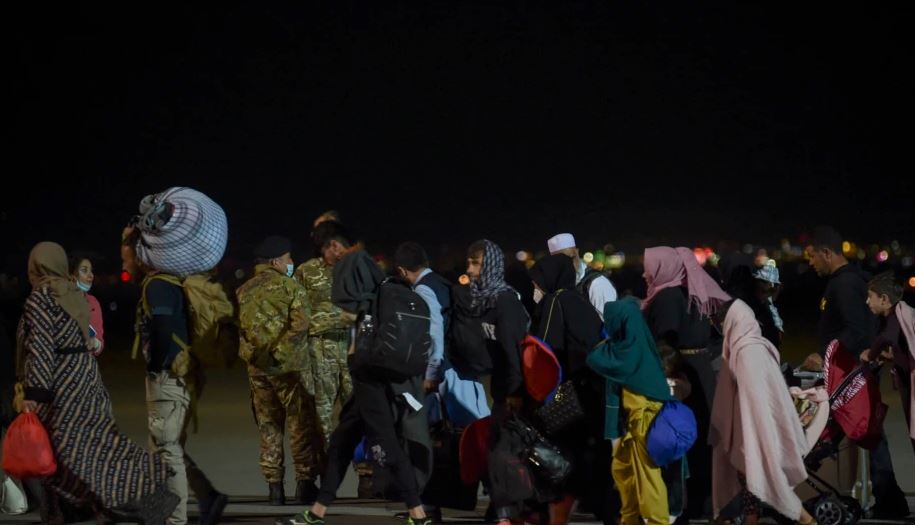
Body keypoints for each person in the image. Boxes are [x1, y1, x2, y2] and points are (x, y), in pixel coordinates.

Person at [18, 242, 178, 524]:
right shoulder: (74, 294)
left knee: (63, 453)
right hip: (88, 379)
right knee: (102, 446)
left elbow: (42, 348)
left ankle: (104, 507)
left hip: (61, 385)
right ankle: (137, 500)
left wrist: (35, 392)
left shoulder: (41, 298)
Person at [123, 187, 229, 525]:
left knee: (166, 448)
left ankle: (174, 519)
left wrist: (156, 367)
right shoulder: (177, 280)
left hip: (169, 376)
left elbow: (164, 324)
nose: (125, 262)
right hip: (185, 371)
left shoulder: (158, 285)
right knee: (166, 446)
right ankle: (205, 498)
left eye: (126, 255)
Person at [806, 226, 909, 519]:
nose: (810, 263)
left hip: (851, 372)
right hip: (854, 370)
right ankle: (890, 500)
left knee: (865, 434)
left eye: (813, 256)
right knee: (868, 433)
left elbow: (856, 330)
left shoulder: (845, 284)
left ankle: (888, 500)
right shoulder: (848, 280)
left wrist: (826, 354)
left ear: (827, 253)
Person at [641, 246, 730, 520]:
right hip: (700, 371)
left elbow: (664, 342)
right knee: (701, 438)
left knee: (681, 439)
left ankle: (684, 504)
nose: (645, 274)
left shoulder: (667, 297)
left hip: (681, 376)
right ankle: (703, 501)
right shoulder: (688, 291)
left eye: (649, 267)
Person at [710, 299, 814, 525]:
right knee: (748, 475)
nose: (721, 328)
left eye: (723, 323)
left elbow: (753, 400)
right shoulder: (754, 345)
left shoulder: (747, 351)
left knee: (762, 476)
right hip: (753, 424)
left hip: (755, 427)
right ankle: (750, 519)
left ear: (733, 321)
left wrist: (751, 432)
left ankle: (806, 520)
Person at [529, 253, 616, 525]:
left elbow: (546, 350)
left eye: (537, 282)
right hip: (591, 390)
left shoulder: (554, 302)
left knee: (561, 458)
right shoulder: (580, 301)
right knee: (590, 455)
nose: (535, 288)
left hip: (565, 395)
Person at [237, 235, 323, 505]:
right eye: (288, 259)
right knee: (299, 424)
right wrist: (281, 353)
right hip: (288, 369)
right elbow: (302, 325)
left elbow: (242, 329)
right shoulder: (291, 287)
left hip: (257, 369)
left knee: (268, 426)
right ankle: (304, 484)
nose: (291, 263)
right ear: (275, 261)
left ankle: (275, 488)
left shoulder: (243, 290)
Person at [587, 297, 672, 525]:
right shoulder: (635, 344)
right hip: (631, 425)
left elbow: (595, 358)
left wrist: (608, 342)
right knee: (624, 472)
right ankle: (630, 519)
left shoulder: (627, 351)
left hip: (643, 422)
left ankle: (657, 522)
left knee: (647, 476)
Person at [466, 239, 530, 525]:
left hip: (513, 391)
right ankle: (500, 509)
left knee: (502, 453)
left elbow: (514, 350)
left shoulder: (505, 301)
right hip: (500, 389)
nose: (470, 270)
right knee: (497, 450)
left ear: (490, 265)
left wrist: (515, 391)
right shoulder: (485, 300)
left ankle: (506, 512)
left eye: (476, 264)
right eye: (469, 263)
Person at [862, 271, 915, 453]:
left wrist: (870, 354)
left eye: (870, 296)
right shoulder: (903, 313)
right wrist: (891, 356)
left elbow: (887, 337)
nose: (867, 301)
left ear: (884, 299)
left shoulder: (893, 321)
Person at [546, 233, 617, 319]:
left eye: (571, 258)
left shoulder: (597, 284)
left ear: (577, 252)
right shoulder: (556, 286)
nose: (569, 264)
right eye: (562, 262)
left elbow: (608, 324)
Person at [67, 253, 104, 355]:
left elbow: (99, 342)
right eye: (84, 270)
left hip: (85, 361)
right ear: (71, 275)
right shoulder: (58, 301)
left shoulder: (93, 303)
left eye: (91, 271)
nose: (90, 275)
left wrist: (96, 343)